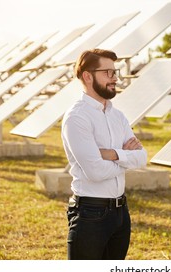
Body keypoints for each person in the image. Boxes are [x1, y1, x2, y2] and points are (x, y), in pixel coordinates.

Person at [61, 49, 147, 260]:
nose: (115, 78)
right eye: (108, 72)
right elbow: (96, 172)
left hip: (121, 213)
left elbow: (142, 157)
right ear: (88, 76)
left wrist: (112, 154)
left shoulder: (118, 115)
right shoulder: (77, 117)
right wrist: (126, 156)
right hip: (90, 214)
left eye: (115, 72)